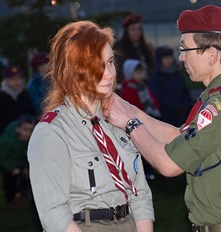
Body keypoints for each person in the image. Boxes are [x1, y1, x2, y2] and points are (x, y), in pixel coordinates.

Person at [104, 5, 221, 232]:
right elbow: (178, 137)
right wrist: (129, 109)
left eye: (185, 49)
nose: (180, 57)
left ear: (212, 55)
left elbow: (168, 164)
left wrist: (130, 124)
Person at [27, 20, 154, 232]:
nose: (110, 74)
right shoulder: (52, 132)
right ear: (73, 70)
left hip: (130, 222)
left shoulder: (119, 119)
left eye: (111, 62)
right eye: (98, 66)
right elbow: (53, 213)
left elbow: (140, 192)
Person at [120, 58, 161, 180]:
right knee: (140, 149)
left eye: (141, 72)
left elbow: (152, 99)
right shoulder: (128, 89)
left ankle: (151, 168)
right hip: (136, 122)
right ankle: (143, 172)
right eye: (137, 73)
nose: (140, 75)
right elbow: (131, 106)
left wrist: (155, 110)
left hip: (148, 118)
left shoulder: (143, 86)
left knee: (149, 146)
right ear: (129, 73)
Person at [0, 114, 35, 206]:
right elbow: (1, 157)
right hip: (6, 164)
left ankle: (23, 195)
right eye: (25, 130)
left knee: (27, 177)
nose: (28, 133)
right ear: (18, 129)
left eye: (31, 130)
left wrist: (26, 167)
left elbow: (28, 156)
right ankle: (10, 199)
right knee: (10, 180)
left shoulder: (31, 140)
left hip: (20, 163)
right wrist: (12, 168)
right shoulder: (7, 141)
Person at [149, 45, 193, 127]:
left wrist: (186, 105)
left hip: (183, 116)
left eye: (170, 56)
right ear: (159, 60)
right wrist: (176, 107)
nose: (169, 60)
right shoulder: (155, 78)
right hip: (165, 119)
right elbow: (160, 98)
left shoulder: (177, 75)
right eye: (165, 57)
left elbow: (185, 91)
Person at [0, 65, 35, 136]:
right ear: (7, 81)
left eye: (19, 78)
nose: (17, 81)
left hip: (28, 134)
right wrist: (5, 135)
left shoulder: (25, 94)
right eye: (13, 79)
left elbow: (32, 113)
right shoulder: (1, 97)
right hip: (9, 135)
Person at [113, 14, 154, 85]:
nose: (136, 32)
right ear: (127, 31)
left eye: (138, 29)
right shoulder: (119, 47)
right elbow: (119, 70)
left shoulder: (147, 47)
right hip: (128, 86)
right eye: (133, 29)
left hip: (147, 84)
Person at [27, 52, 50, 117]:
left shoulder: (53, 78)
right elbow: (38, 104)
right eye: (45, 63)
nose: (49, 65)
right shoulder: (33, 84)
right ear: (39, 67)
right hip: (43, 116)